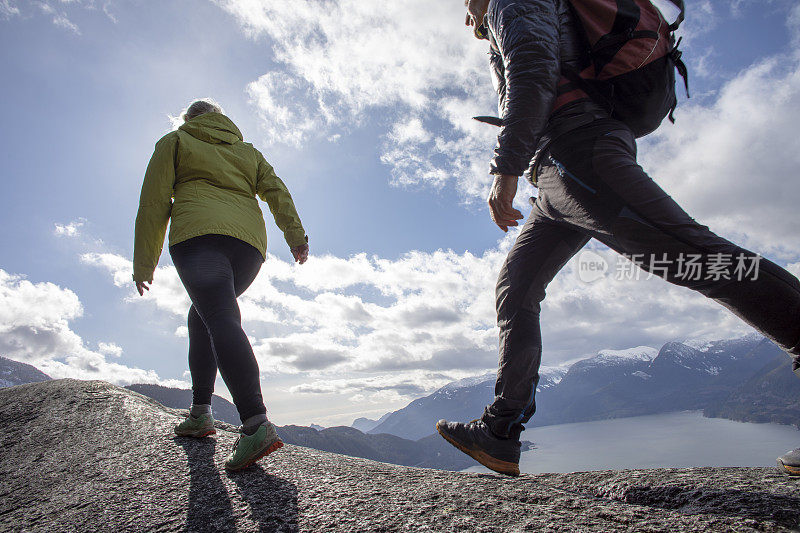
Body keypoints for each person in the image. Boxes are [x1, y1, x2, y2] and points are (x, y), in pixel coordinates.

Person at [436, 0, 800, 477]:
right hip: (556, 174)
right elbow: (538, 59)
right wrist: (489, 31)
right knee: (517, 289)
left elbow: (533, 73)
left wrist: (503, 169)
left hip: (578, 154)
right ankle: (500, 432)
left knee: (694, 259)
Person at [132, 99, 309, 471]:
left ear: (189, 120)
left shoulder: (176, 142)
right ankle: (201, 413)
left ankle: (256, 424)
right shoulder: (248, 152)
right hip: (248, 248)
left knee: (220, 318)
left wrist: (144, 263)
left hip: (199, 238)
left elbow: (153, 202)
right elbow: (278, 192)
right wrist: (296, 236)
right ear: (221, 119)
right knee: (203, 317)